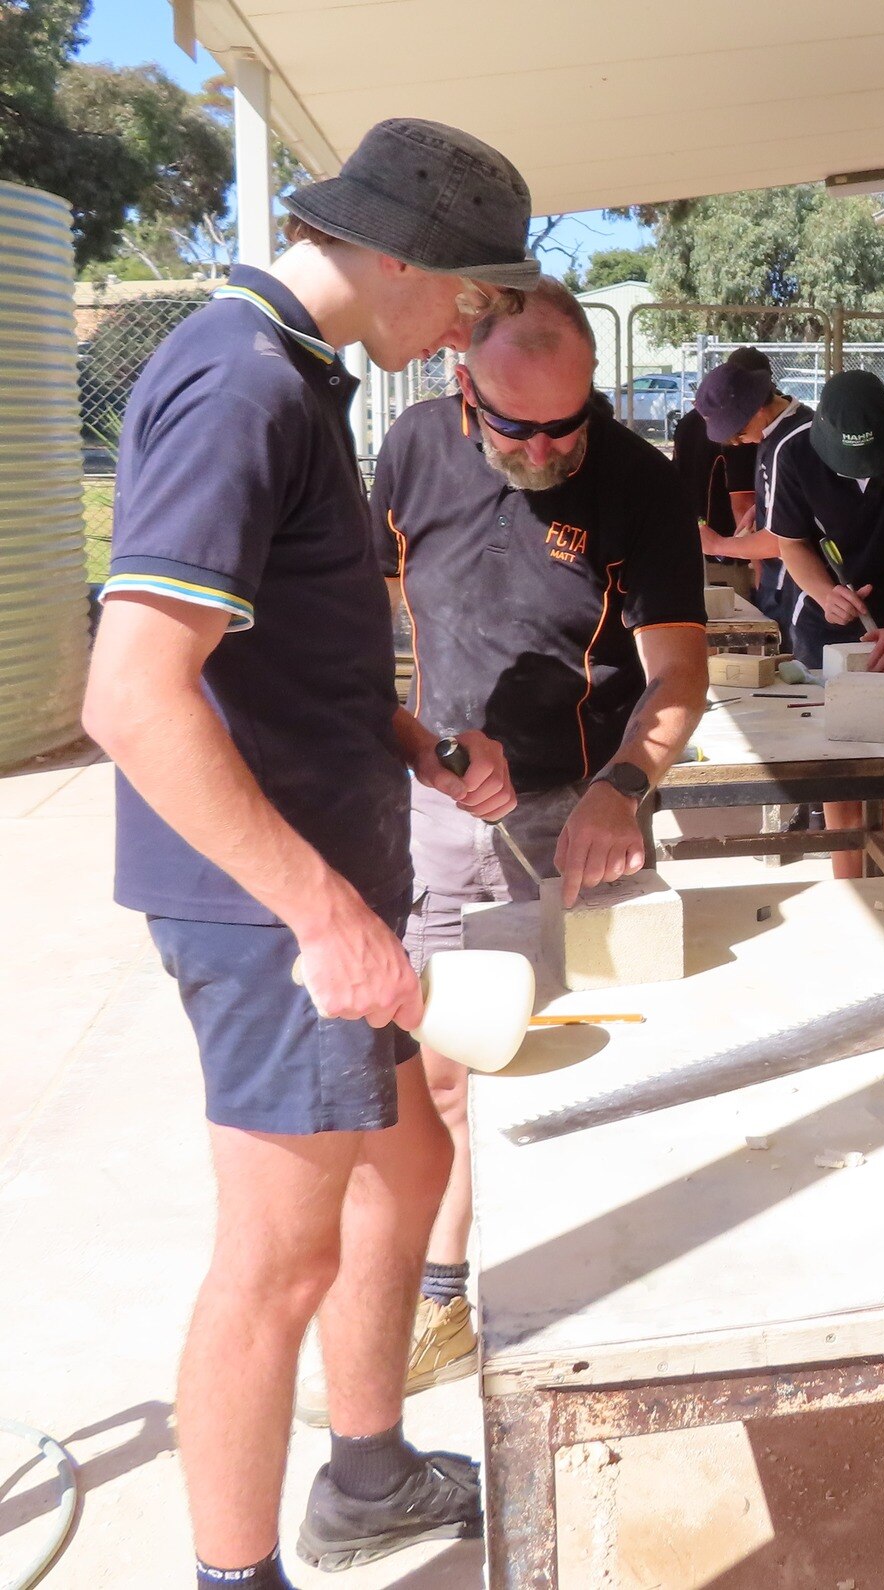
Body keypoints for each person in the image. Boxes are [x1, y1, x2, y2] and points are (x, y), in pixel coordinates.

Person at [81, 119, 539, 1586]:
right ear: (396, 255)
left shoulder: (290, 372)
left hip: (322, 868)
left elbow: (263, 639)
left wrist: (402, 734)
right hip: (271, 903)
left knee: (403, 1174)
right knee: (273, 1266)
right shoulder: (241, 387)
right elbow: (133, 692)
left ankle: (367, 1470)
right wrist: (324, 915)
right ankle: (237, 1571)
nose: (469, 324)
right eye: (468, 293)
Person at [287, 278, 708, 1426]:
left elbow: (676, 672)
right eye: (515, 426)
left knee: (603, 1055)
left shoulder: (636, 481)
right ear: (457, 377)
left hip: (587, 818)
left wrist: (624, 787)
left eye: (568, 423)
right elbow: (358, 635)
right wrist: (417, 744)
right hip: (436, 802)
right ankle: (444, 1296)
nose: (543, 447)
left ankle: (628, 1289)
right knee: (441, 1071)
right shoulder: (413, 451)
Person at [766, 368, 884, 876]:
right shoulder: (793, 450)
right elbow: (791, 542)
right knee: (838, 763)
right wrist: (825, 593)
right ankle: (849, 890)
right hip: (830, 614)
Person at [693, 358, 813, 647]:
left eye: (738, 432)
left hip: (798, 590)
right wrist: (762, 507)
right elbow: (794, 499)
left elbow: (781, 540)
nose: (735, 443)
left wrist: (717, 545)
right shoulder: (774, 433)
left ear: (758, 405)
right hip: (782, 584)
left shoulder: (792, 441)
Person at [677, 346, 770, 593]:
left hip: (693, 548)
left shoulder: (688, 422)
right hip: (728, 558)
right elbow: (742, 503)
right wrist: (760, 572)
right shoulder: (739, 426)